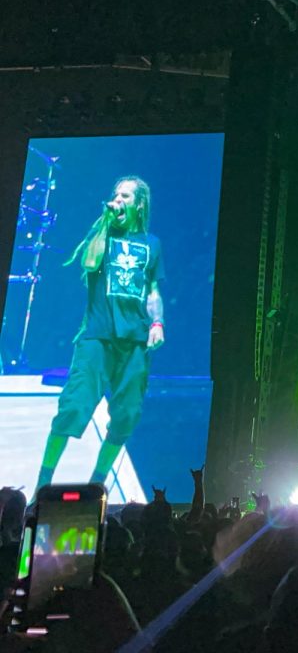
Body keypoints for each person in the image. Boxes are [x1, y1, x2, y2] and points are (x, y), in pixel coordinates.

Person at [35, 176, 165, 494]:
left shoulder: (152, 244)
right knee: (74, 407)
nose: (118, 200)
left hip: (134, 341)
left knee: (128, 414)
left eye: (125, 196)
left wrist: (157, 323)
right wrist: (106, 223)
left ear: (139, 204)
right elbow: (90, 262)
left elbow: (153, 290)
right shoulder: (103, 235)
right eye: (115, 195)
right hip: (97, 336)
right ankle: (43, 481)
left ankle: (97, 483)